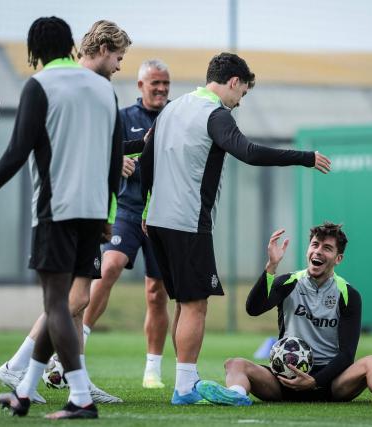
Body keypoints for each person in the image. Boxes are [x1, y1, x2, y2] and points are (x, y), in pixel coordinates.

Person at [0, 16, 124, 419]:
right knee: (61, 306)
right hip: (93, 212)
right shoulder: (103, 88)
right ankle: (25, 389)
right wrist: (109, 215)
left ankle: (80, 397)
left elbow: (15, 153)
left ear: (34, 52)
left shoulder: (40, 85)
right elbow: (115, 158)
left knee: (56, 304)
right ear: (69, 45)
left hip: (56, 211)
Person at [139, 52, 332, 405]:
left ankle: (187, 378)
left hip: (158, 221)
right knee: (196, 304)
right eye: (241, 93)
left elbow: (146, 160)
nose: (240, 101)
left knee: (184, 301)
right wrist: (303, 157)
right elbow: (250, 152)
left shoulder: (173, 107)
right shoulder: (216, 114)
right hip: (187, 222)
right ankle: (184, 389)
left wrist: (147, 207)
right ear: (232, 82)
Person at [195, 223, 372, 406]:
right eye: (315, 245)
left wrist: (315, 381)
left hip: (331, 382)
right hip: (284, 378)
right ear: (308, 250)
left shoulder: (348, 294)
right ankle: (235, 395)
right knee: (234, 364)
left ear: (338, 259)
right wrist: (271, 267)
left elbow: (347, 355)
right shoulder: (289, 282)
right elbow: (253, 309)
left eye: (327, 248)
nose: (318, 251)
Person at [82, 59, 171, 389]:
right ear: (140, 86)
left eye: (165, 84)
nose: (161, 89)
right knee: (110, 267)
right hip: (128, 211)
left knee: (155, 292)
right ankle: (77, 348)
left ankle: (153, 370)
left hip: (163, 215)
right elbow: (101, 151)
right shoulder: (122, 119)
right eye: (155, 83)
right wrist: (117, 160)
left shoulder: (175, 117)